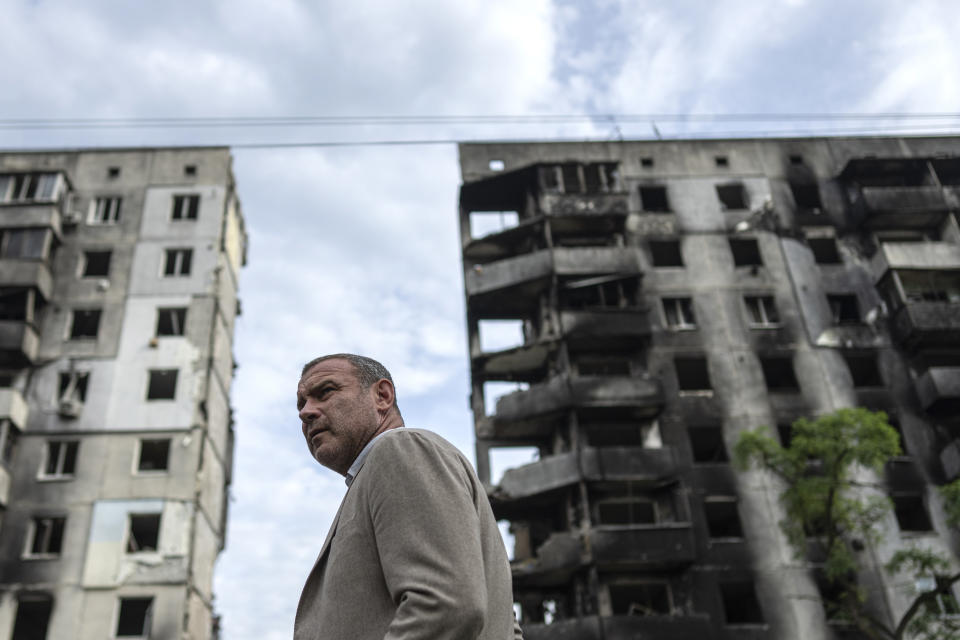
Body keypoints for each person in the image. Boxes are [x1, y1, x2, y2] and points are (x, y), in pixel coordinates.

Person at [293, 353, 523, 640]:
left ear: (382, 395)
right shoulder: (377, 476)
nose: (306, 412)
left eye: (325, 392)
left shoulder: (399, 450)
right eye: (301, 404)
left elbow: (444, 604)